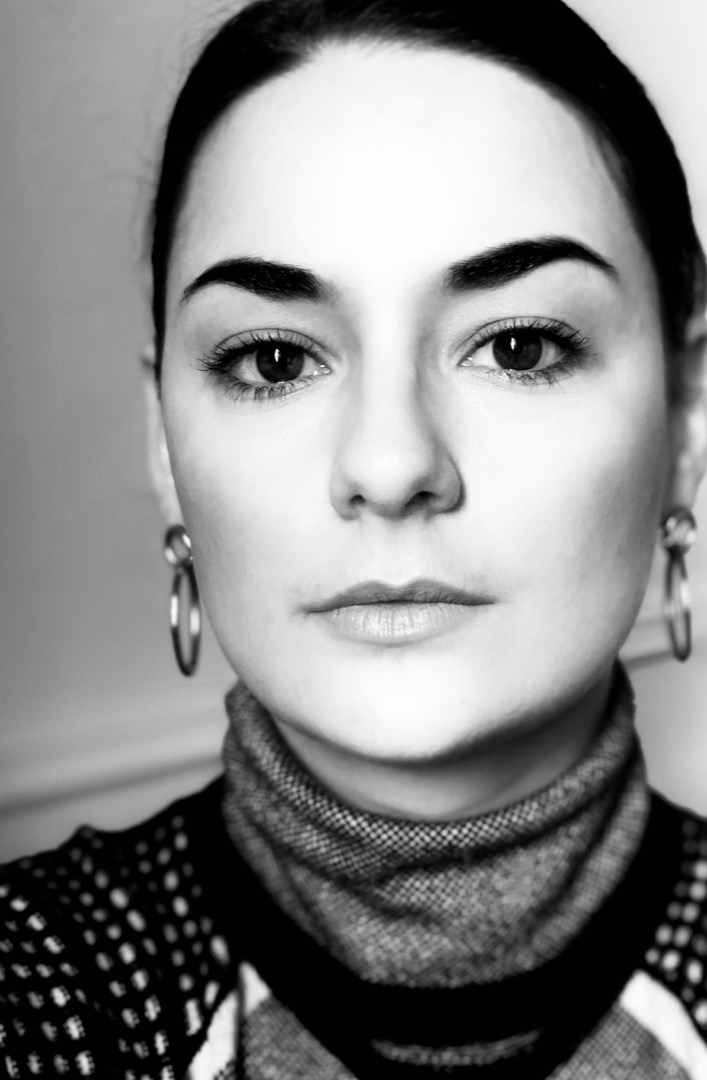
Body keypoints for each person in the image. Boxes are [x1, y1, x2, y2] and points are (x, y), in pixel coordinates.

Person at [2, 0, 707, 1075]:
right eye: (274, 361)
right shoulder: (48, 984)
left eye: (517, 347)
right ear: (164, 442)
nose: (388, 464)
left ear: (686, 414)